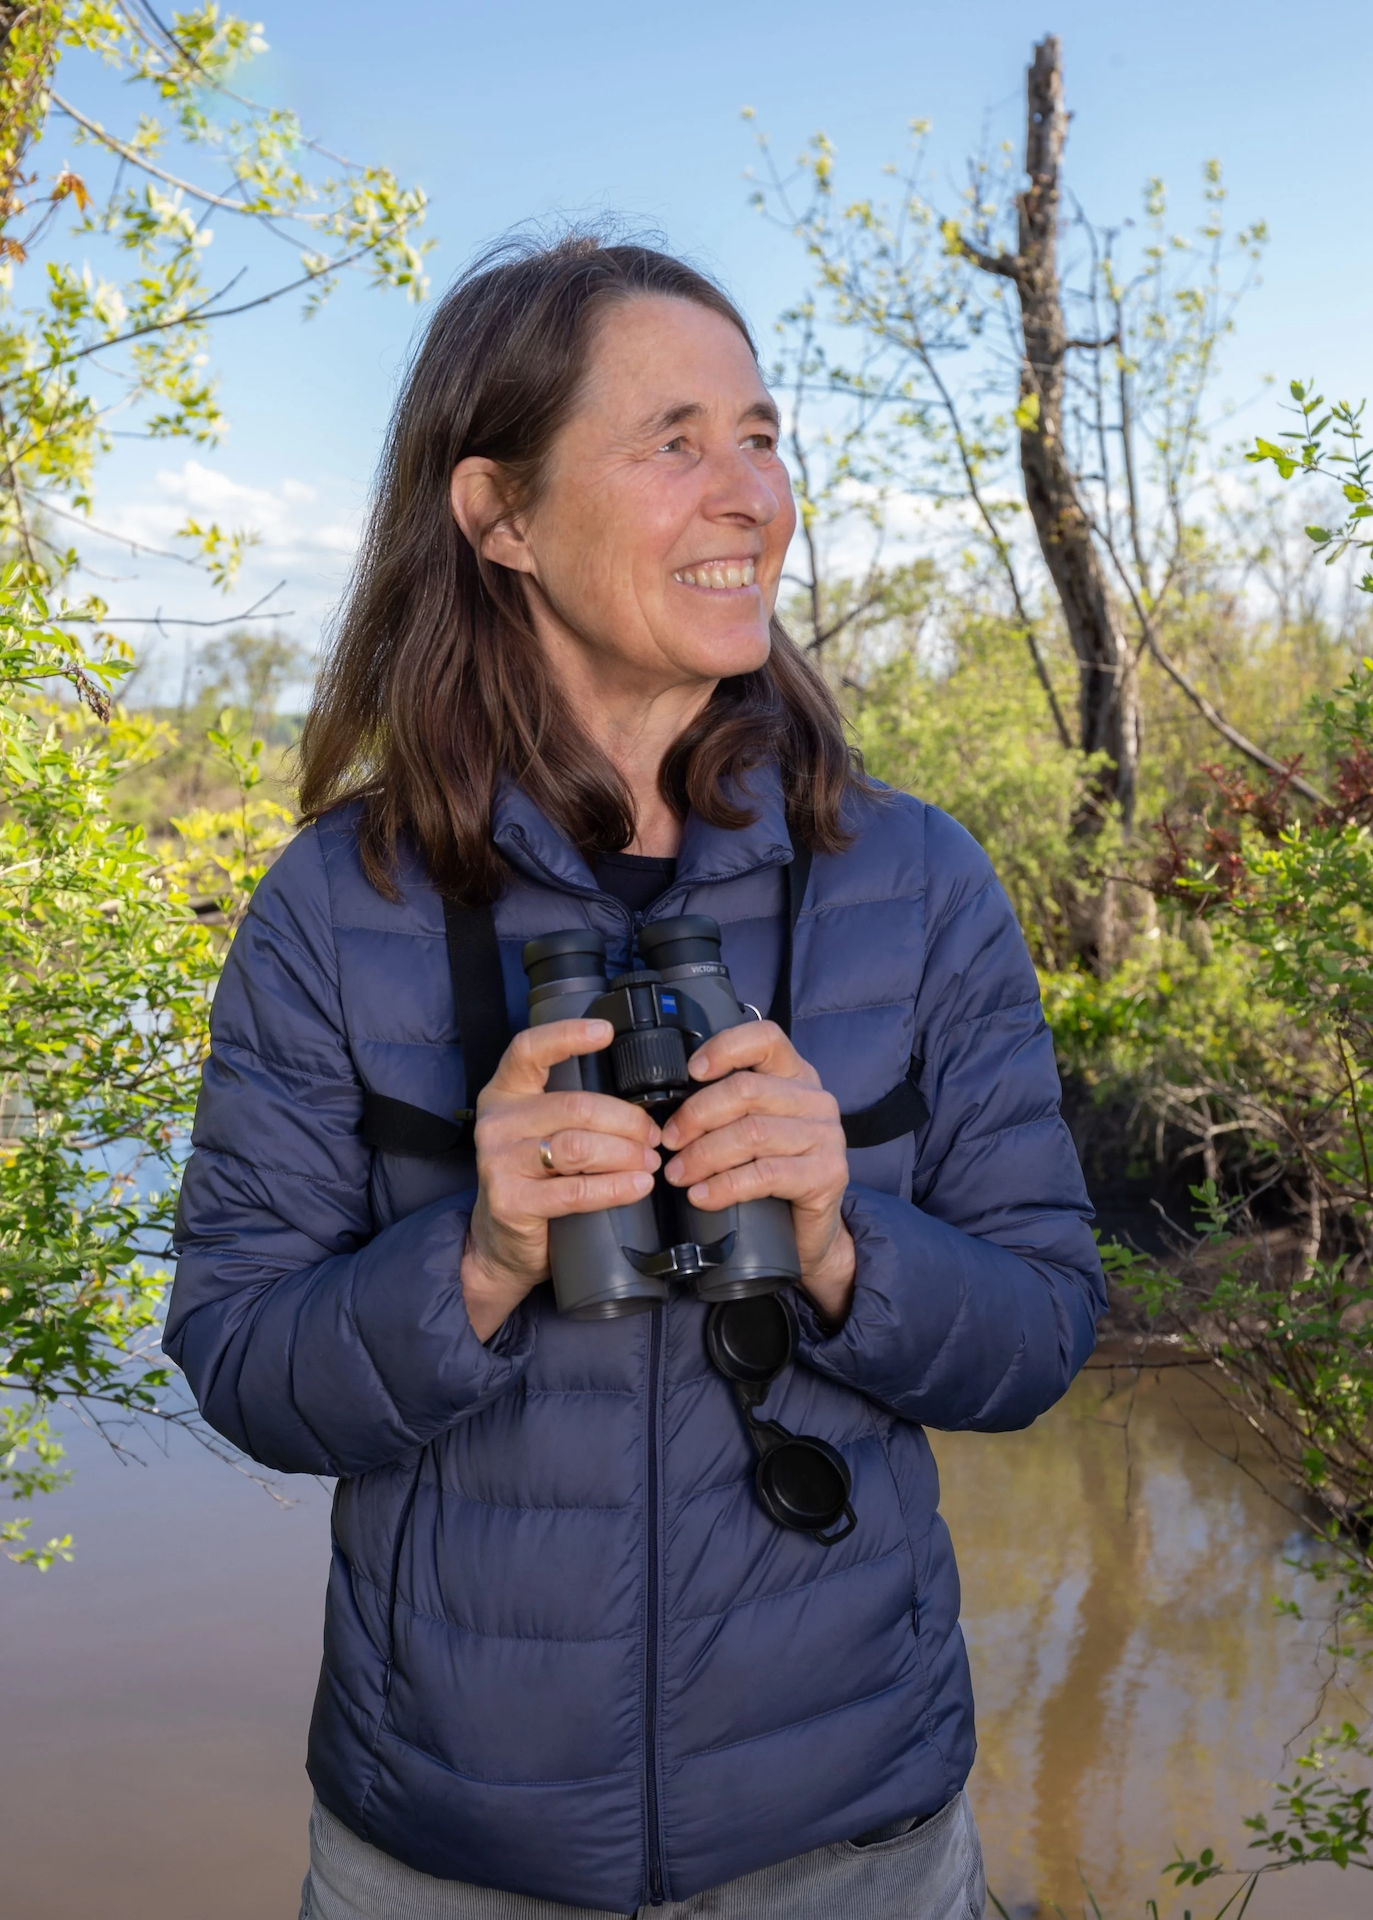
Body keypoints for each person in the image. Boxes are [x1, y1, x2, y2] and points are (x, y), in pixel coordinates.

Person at [165, 234, 1105, 1920]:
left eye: (761, 435)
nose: (752, 493)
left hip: (857, 1843)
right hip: (446, 1855)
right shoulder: (338, 904)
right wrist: (475, 1263)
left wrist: (841, 1245)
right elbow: (240, 1363)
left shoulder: (916, 882)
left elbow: (1040, 1332)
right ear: (499, 515)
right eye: (675, 442)